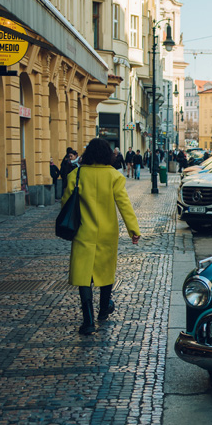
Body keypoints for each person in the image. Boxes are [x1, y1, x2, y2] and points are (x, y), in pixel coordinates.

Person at [62, 138, 140, 335]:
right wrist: (133, 229)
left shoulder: (76, 174)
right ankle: (103, 309)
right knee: (106, 269)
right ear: (107, 155)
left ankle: (88, 320)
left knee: (83, 273)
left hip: (83, 230)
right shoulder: (113, 176)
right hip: (107, 231)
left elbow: (65, 203)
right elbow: (124, 204)